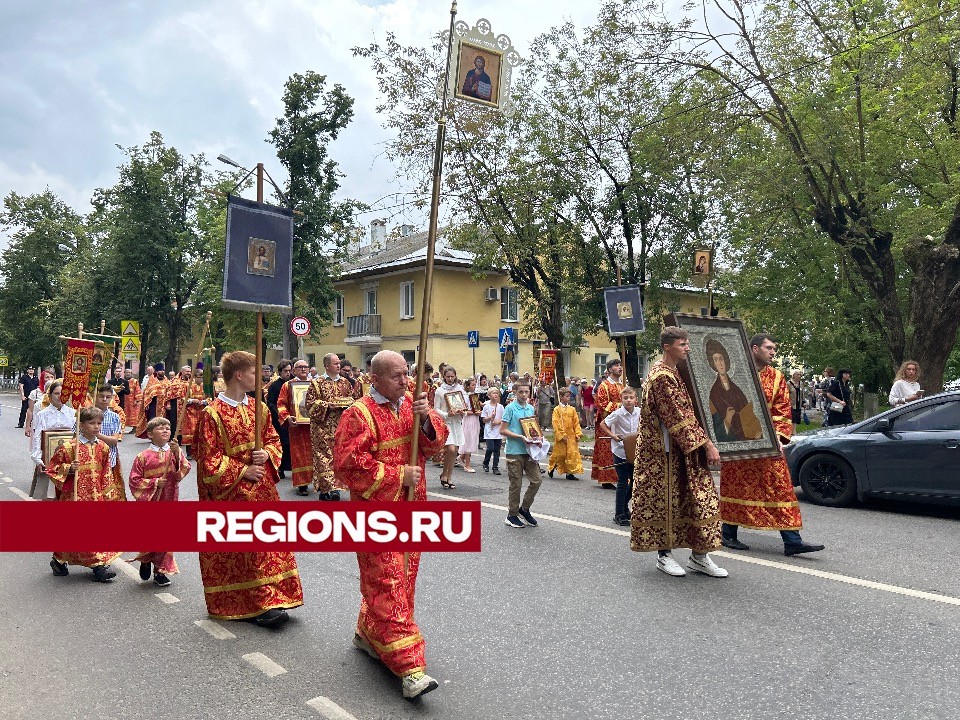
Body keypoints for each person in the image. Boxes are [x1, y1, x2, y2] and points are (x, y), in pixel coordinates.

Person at [333, 350, 448, 699]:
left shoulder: (413, 403)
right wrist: (399, 474)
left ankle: (369, 633)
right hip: (375, 516)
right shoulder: (358, 414)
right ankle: (410, 668)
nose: (405, 380)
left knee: (403, 581)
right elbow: (348, 465)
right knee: (389, 583)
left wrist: (426, 419)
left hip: (413, 512)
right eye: (397, 376)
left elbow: (435, 445)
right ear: (376, 379)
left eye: (406, 373)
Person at [195, 350, 303, 628]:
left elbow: (273, 440)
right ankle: (256, 603)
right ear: (239, 375)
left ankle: (275, 596)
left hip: (263, 490)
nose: (261, 376)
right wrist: (243, 470)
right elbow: (209, 460)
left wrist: (266, 455)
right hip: (232, 493)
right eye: (255, 372)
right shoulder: (212, 414)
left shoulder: (260, 407)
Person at [630, 327, 727, 578]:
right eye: (683, 344)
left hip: (682, 450)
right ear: (667, 347)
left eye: (687, 344)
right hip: (662, 454)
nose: (687, 348)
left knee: (694, 499)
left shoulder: (675, 372)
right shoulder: (662, 376)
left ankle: (699, 556)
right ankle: (664, 555)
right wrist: (708, 445)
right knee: (665, 503)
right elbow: (678, 418)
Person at [720, 335, 826, 556]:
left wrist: (779, 436)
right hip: (739, 443)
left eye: (774, 348)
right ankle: (728, 534)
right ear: (755, 348)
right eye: (769, 348)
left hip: (767, 443)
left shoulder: (777, 377)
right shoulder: (734, 374)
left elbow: (782, 411)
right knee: (736, 486)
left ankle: (792, 540)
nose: (773, 352)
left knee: (781, 487)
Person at [46, 407, 123, 582]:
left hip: (96, 496)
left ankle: (98, 565)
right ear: (81, 425)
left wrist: (108, 494)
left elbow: (106, 472)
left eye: (98, 423)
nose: (96, 427)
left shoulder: (102, 447)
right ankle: (59, 560)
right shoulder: (69, 448)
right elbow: (52, 469)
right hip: (74, 497)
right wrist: (68, 469)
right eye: (92, 423)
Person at [128, 416, 190, 587]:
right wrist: (154, 483)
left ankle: (160, 570)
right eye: (160, 428)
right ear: (150, 434)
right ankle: (146, 559)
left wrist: (177, 453)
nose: (165, 431)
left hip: (169, 499)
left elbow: (181, 472)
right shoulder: (143, 456)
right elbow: (134, 480)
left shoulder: (174, 451)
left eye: (168, 428)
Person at [306, 353, 358, 499]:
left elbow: (353, 400)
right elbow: (309, 405)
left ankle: (336, 489)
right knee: (323, 458)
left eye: (339, 363)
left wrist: (348, 404)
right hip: (321, 428)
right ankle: (325, 490)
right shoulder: (317, 383)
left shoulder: (345, 382)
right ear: (327, 366)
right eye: (335, 363)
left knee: (338, 457)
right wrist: (327, 405)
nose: (338, 366)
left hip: (341, 427)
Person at [499, 382, 544, 529]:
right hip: (514, 450)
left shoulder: (530, 408)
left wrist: (537, 437)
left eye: (526, 392)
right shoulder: (510, 408)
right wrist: (520, 437)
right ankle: (511, 515)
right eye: (521, 392)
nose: (524, 395)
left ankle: (524, 509)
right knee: (516, 484)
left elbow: (532, 427)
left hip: (529, 451)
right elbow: (502, 430)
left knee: (536, 480)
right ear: (515, 392)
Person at [706, 338, 761, 441]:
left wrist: (755, 430)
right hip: (731, 439)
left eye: (721, 358)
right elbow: (715, 429)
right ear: (713, 364)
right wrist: (727, 419)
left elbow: (749, 415)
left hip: (747, 435)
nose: (720, 363)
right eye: (716, 360)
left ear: (726, 360)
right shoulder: (714, 393)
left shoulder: (736, 389)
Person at [30, 380, 77, 501]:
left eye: (63, 393)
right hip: (48, 460)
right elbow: (37, 437)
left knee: (66, 494)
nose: (60, 396)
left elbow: (76, 437)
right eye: (56, 393)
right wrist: (38, 459)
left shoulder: (73, 414)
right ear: (50, 395)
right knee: (48, 495)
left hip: (67, 462)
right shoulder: (42, 414)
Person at [599, 386, 640, 526]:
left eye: (631, 398)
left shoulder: (639, 412)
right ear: (621, 400)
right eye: (625, 398)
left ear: (636, 399)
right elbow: (603, 424)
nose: (628, 401)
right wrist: (612, 435)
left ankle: (624, 506)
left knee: (635, 482)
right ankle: (619, 514)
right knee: (623, 482)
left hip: (634, 451)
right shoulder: (617, 413)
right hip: (620, 451)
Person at [276, 359, 314, 495]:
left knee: (317, 454)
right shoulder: (288, 385)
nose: (303, 369)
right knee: (300, 455)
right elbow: (281, 404)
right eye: (300, 367)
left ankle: (321, 482)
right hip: (297, 427)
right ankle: (302, 484)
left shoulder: (315, 384)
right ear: (294, 370)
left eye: (306, 367)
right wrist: (287, 417)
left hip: (314, 426)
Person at [592, 359, 624, 488]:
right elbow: (601, 404)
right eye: (616, 365)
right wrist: (620, 406)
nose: (620, 368)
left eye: (620, 365)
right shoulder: (604, 385)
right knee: (607, 449)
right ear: (610, 369)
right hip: (607, 423)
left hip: (621, 423)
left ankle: (621, 476)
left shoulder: (622, 385)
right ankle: (606, 478)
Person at [434, 366, 465, 489]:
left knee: (455, 452)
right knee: (451, 450)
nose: (450, 379)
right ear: (444, 377)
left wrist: (463, 412)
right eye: (448, 377)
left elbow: (464, 405)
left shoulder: (459, 389)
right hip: (447, 423)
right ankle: (444, 474)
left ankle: (448, 476)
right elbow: (436, 409)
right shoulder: (439, 391)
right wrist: (447, 414)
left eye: (452, 376)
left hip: (457, 422)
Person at [93, 385, 126, 493]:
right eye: (101, 396)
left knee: (106, 490)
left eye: (108, 397)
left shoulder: (114, 417)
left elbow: (114, 440)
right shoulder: (85, 414)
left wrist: (97, 434)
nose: (104, 399)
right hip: (90, 458)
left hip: (109, 458)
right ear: (95, 396)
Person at [266, 360, 293, 479]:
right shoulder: (275, 385)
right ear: (280, 372)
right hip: (279, 419)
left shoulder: (294, 383)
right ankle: (281, 468)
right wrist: (279, 412)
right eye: (285, 371)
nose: (288, 373)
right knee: (283, 443)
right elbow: (271, 402)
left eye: (289, 371)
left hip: (293, 418)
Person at [548, 387, 582, 480]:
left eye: (569, 396)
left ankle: (569, 473)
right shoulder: (557, 410)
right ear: (561, 397)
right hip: (562, 436)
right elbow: (555, 423)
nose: (569, 398)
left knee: (571, 454)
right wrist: (561, 435)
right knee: (560, 454)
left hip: (571, 435)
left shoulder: (572, 409)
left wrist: (578, 433)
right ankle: (552, 466)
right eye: (567, 396)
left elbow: (576, 422)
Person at [458, 376, 481, 472]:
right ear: (467, 386)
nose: (474, 386)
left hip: (474, 420)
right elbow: (464, 410)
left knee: (472, 439)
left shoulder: (474, 396)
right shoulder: (466, 397)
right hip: (469, 420)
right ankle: (467, 465)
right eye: (472, 385)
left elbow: (476, 407)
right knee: (469, 441)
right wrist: (475, 412)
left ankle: (461, 457)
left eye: (475, 384)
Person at [481, 387, 504, 475]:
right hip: (489, 431)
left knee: (497, 450)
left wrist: (498, 422)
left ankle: (495, 467)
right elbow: (483, 420)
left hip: (497, 430)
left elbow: (504, 418)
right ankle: (486, 463)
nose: (495, 395)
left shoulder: (501, 407)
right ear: (489, 395)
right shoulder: (486, 407)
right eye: (493, 393)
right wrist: (490, 417)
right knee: (490, 448)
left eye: (497, 393)